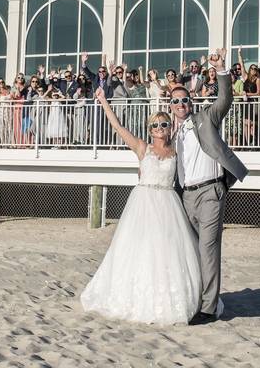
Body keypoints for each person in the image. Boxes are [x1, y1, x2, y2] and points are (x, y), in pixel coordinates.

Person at [80, 87, 202, 325]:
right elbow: (117, 127)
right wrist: (103, 100)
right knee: (140, 250)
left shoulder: (176, 148)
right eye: (155, 126)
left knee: (168, 253)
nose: (159, 129)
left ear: (170, 127)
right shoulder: (142, 148)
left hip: (168, 204)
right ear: (149, 129)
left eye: (164, 125)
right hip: (143, 204)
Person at [169, 49, 248, 324]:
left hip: (211, 191)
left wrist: (222, 70)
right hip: (186, 196)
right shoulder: (172, 134)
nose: (181, 104)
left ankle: (208, 308)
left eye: (185, 100)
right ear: (171, 106)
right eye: (176, 101)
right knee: (191, 250)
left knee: (208, 249)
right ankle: (197, 297)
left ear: (191, 101)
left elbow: (225, 99)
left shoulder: (205, 118)